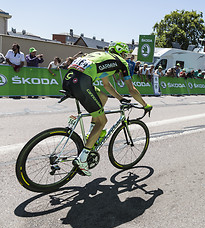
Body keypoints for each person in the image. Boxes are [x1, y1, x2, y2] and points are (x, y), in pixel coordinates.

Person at [62, 41, 152, 176]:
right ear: (121, 53)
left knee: (103, 97)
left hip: (68, 80)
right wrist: (145, 105)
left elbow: (107, 85)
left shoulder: (104, 57)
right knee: (102, 121)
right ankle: (82, 159)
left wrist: (120, 98)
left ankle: (91, 133)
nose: (126, 57)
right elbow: (132, 90)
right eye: (125, 54)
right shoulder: (122, 62)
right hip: (82, 83)